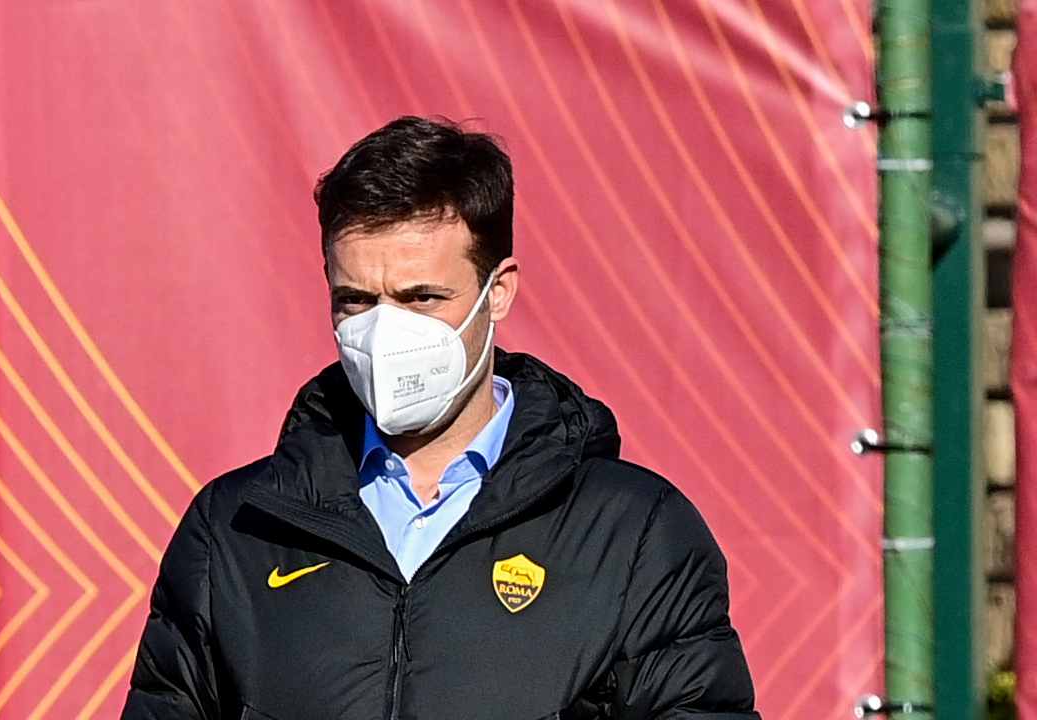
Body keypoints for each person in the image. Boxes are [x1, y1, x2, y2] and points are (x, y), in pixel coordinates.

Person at [122, 116, 758, 719]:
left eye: (421, 297)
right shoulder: (235, 528)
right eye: (356, 300)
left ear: (498, 291)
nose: (385, 331)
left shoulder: (634, 531)